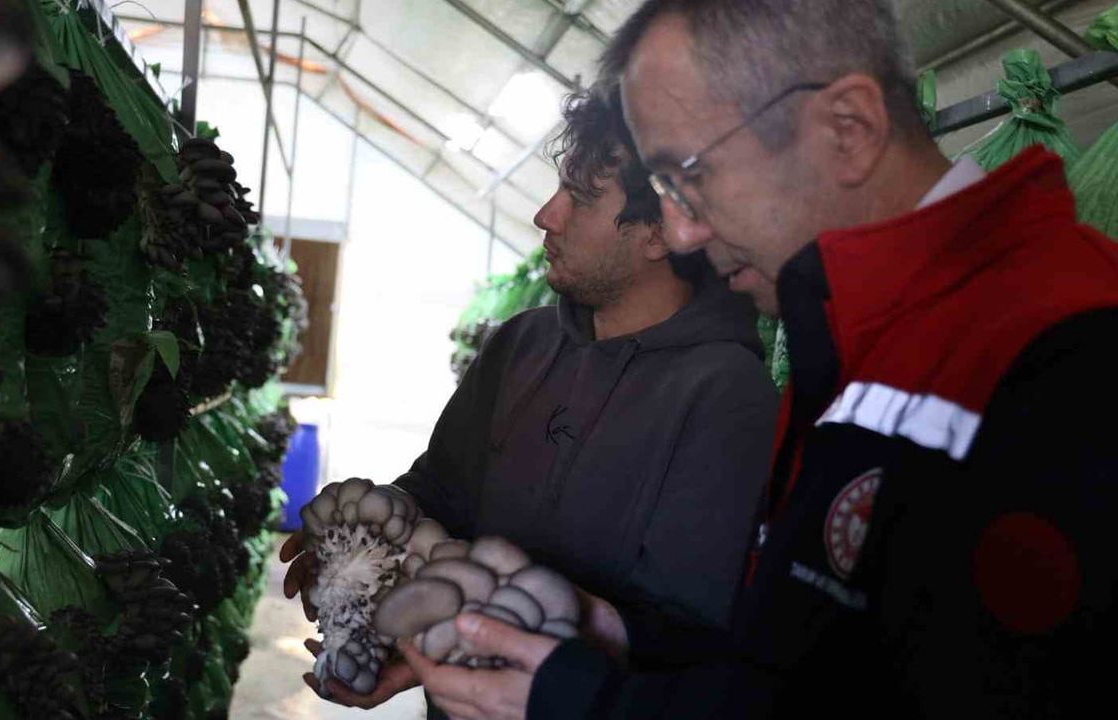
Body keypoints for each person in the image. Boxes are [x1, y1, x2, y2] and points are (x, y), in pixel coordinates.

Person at [398, 1, 1118, 718]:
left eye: (689, 176)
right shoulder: (844, 343)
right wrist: (586, 638)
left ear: (849, 129)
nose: (678, 232)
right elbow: (807, 671)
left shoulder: (1071, 357)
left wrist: (583, 703)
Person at [281, 83, 778, 711]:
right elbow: (442, 492)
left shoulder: (727, 395)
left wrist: (481, 623)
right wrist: (361, 541)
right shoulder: (522, 342)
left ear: (660, 230)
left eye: (581, 197)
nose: (547, 215)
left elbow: (683, 636)